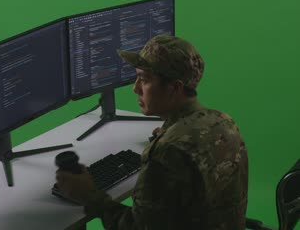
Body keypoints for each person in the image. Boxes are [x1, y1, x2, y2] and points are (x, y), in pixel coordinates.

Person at [55, 35, 248, 230]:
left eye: (145, 79)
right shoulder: (223, 121)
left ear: (174, 88)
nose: (135, 88)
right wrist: (169, 132)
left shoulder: (169, 152)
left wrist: (89, 196)